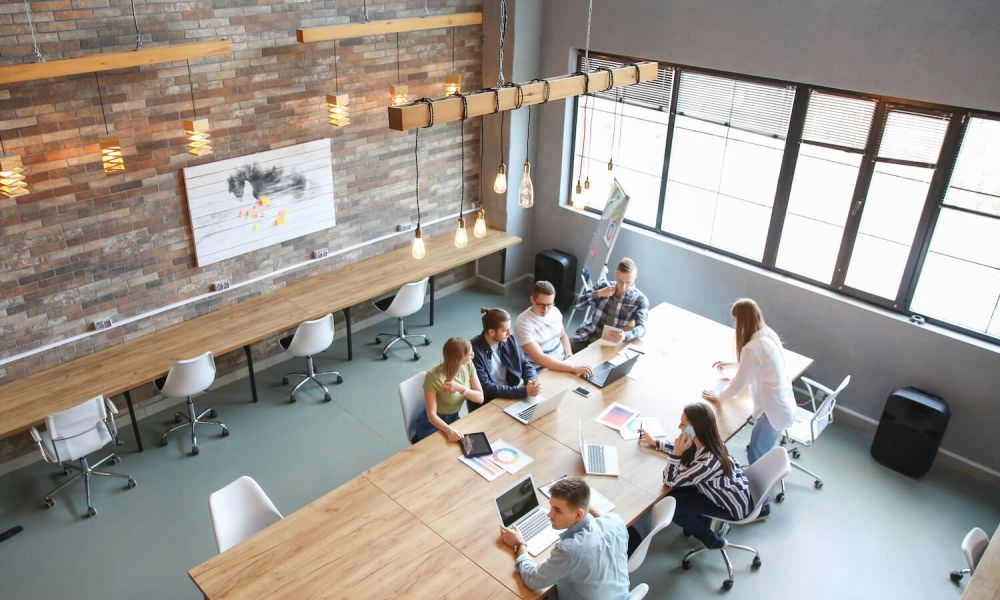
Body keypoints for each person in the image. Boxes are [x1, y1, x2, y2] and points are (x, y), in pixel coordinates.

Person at [701, 298, 794, 512]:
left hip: (772, 412)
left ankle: (762, 505)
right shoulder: (766, 335)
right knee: (760, 452)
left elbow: (738, 385)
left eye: (736, 322)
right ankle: (761, 493)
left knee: (756, 455)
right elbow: (755, 365)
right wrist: (734, 363)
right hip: (782, 406)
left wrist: (718, 397)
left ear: (742, 322)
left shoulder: (752, 347)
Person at [638, 403, 753, 549]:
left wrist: (676, 454)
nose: (679, 426)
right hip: (723, 490)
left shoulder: (707, 463)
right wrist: (655, 442)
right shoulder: (708, 442)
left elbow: (669, 480)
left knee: (672, 508)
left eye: (683, 424)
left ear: (694, 429)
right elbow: (687, 451)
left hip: (729, 506)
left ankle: (712, 540)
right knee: (672, 494)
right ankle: (697, 520)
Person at [498, 477, 630, 600]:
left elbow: (533, 579)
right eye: (551, 506)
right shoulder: (616, 521)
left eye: (558, 510)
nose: (549, 514)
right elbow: (601, 518)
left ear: (578, 515)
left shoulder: (570, 550)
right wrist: (580, 499)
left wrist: (520, 543)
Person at [411, 337, 484, 443]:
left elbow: (480, 398)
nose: (473, 354)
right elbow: (431, 415)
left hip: (454, 418)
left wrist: (461, 389)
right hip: (432, 423)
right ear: (459, 358)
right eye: (470, 354)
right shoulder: (432, 377)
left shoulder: (469, 365)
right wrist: (449, 431)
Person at [514, 281, 593, 377]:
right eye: (541, 305)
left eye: (549, 305)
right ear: (532, 299)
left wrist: (569, 354)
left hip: (563, 363)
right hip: (542, 372)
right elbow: (539, 358)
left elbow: (563, 335)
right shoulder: (523, 323)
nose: (545, 310)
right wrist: (572, 368)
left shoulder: (555, 311)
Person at [470, 307, 541, 412]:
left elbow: (525, 364)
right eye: (505, 330)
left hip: (509, 395)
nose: (509, 333)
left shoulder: (508, 340)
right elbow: (486, 387)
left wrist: (532, 381)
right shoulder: (473, 351)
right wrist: (524, 391)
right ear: (491, 332)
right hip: (488, 403)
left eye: (509, 329)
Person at [571, 258, 649, 352]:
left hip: (608, 345)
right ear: (616, 274)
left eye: (628, 282)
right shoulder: (603, 285)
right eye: (620, 281)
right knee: (562, 352)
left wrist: (625, 335)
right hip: (586, 336)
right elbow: (577, 305)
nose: (623, 287)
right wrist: (598, 294)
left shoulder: (640, 300)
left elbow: (642, 328)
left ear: (635, 278)